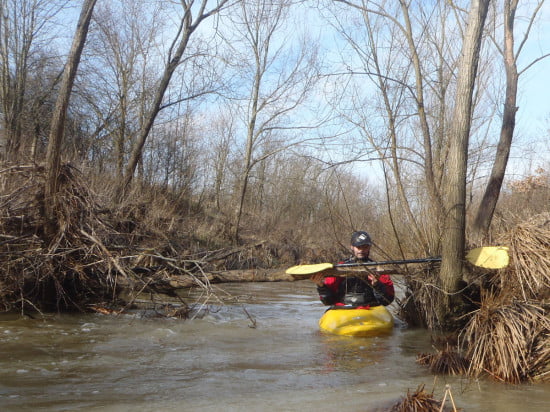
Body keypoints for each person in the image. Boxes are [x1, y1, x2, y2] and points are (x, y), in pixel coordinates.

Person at [311, 231, 395, 308]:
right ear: (352, 247)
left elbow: (387, 301)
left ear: (369, 247)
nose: (361, 250)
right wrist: (321, 286)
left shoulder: (377, 269)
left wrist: (377, 285)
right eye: (358, 247)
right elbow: (328, 301)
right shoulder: (340, 268)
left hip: (370, 309)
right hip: (343, 309)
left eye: (365, 247)